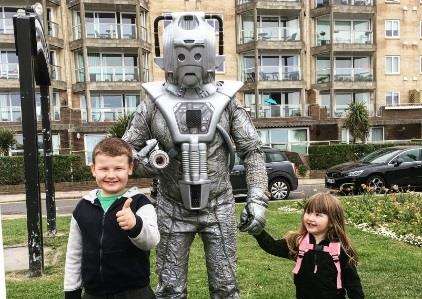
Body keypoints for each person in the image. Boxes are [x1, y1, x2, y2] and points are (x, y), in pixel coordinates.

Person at [122, 12, 268, 298]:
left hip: (219, 206)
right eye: (181, 54)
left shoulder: (227, 101)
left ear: (210, 55)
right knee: (170, 290)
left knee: (226, 288)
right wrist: (146, 162)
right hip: (172, 208)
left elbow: (252, 151)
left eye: (197, 54)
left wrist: (257, 198)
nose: (189, 61)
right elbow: (123, 154)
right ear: (169, 57)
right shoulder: (152, 103)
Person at [63, 137, 160, 299]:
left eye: (118, 168)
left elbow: (151, 241)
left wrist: (135, 225)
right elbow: (74, 252)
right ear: (93, 169)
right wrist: (71, 290)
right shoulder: (83, 207)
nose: (111, 175)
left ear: (130, 168)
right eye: (104, 169)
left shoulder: (140, 203)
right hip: (93, 294)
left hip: (135, 293)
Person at [251, 193, 364, 299]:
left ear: (332, 221)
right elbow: (273, 246)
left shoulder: (341, 249)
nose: (310, 218)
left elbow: (353, 284)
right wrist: (258, 232)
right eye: (308, 212)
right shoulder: (299, 242)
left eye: (318, 215)